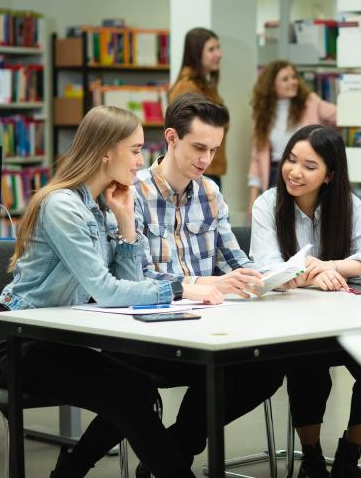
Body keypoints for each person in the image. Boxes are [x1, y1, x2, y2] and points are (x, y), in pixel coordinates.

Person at [0, 106, 223, 478]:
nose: (141, 160)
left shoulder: (104, 206)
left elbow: (130, 282)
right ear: (106, 151)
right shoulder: (62, 206)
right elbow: (107, 291)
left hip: (55, 339)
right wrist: (176, 290)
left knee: (138, 388)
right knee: (127, 394)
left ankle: (69, 472)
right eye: (136, 149)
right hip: (11, 343)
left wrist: (125, 222)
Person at [128, 92, 286, 475]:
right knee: (217, 373)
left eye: (213, 150)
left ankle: (173, 452)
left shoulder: (210, 193)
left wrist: (271, 278)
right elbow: (139, 276)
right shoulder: (132, 193)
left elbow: (237, 261)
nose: (205, 159)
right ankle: (172, 457)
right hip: (151, 332)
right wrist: (213, 281)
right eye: (198, 147)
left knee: (268, 369)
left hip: (208, 327)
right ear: (171, 137)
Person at [251, 125, 361, 478]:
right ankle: (312, 457)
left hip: (347, 322)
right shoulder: (268, 204)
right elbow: (267, 269)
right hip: (293, 326)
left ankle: (349, 456)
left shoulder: (349, 204)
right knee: (308, 365)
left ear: (330, 174)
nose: (295, 172)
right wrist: (314, 275)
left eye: (309, 166)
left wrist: (330, 266)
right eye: (291, 160)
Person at [247, 60, 336, 216]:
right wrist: (253, 198)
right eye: (285, 79)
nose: (293, 82)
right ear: (271, 84)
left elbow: (338, 115)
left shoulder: (310, 102)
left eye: (294, 77)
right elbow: (256, 157)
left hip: (306, 169)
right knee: (279, 222)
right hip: (275, 174)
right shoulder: (261, 113)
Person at [169, 27, 226, 187]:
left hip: (207, 167)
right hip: (196, 168)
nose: (219, 54)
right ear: (196, 53)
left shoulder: (205, 86)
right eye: (211, 49)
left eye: (218, 48)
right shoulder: (186, 87)